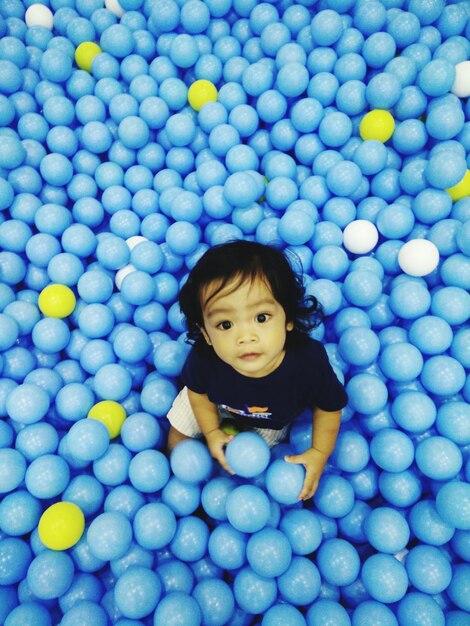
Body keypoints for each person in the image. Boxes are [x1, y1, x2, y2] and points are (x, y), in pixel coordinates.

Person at [166, 240, 348, 500]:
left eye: (261, 318)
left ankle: (229, 494)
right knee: (180, 430)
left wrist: (319, 452)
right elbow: (197, 394)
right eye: (225, 324)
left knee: (250, 467)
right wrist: (212, 431)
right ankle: (182, 483)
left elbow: (329, 407)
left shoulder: (307, 363)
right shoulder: (205, 360)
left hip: (269, 419)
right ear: (205, 333)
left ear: (288, 319)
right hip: (211, 404)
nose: (245, 336)